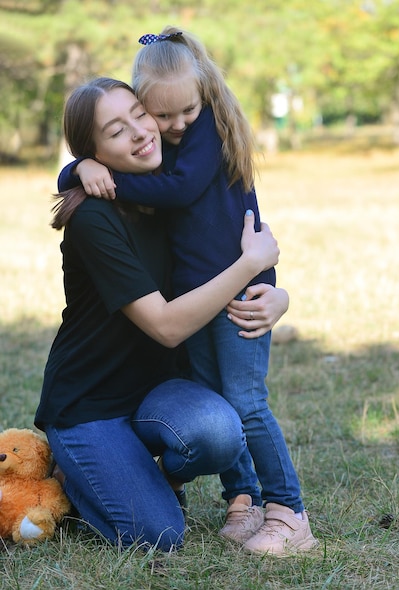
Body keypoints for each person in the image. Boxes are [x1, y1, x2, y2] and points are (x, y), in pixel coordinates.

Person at [58, 27, 318, 557]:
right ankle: (238, 497)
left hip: (223, 315)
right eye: (119, 129)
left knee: (238, 407)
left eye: (141, 116)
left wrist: (274, 290)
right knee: (159, 534)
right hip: (98, 395)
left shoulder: (184, 159)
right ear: (96, 148)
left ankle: (287, 511)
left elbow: (212, 218)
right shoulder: (108, 212)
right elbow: (171, 319)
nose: (156, 129)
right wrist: (79, 172)